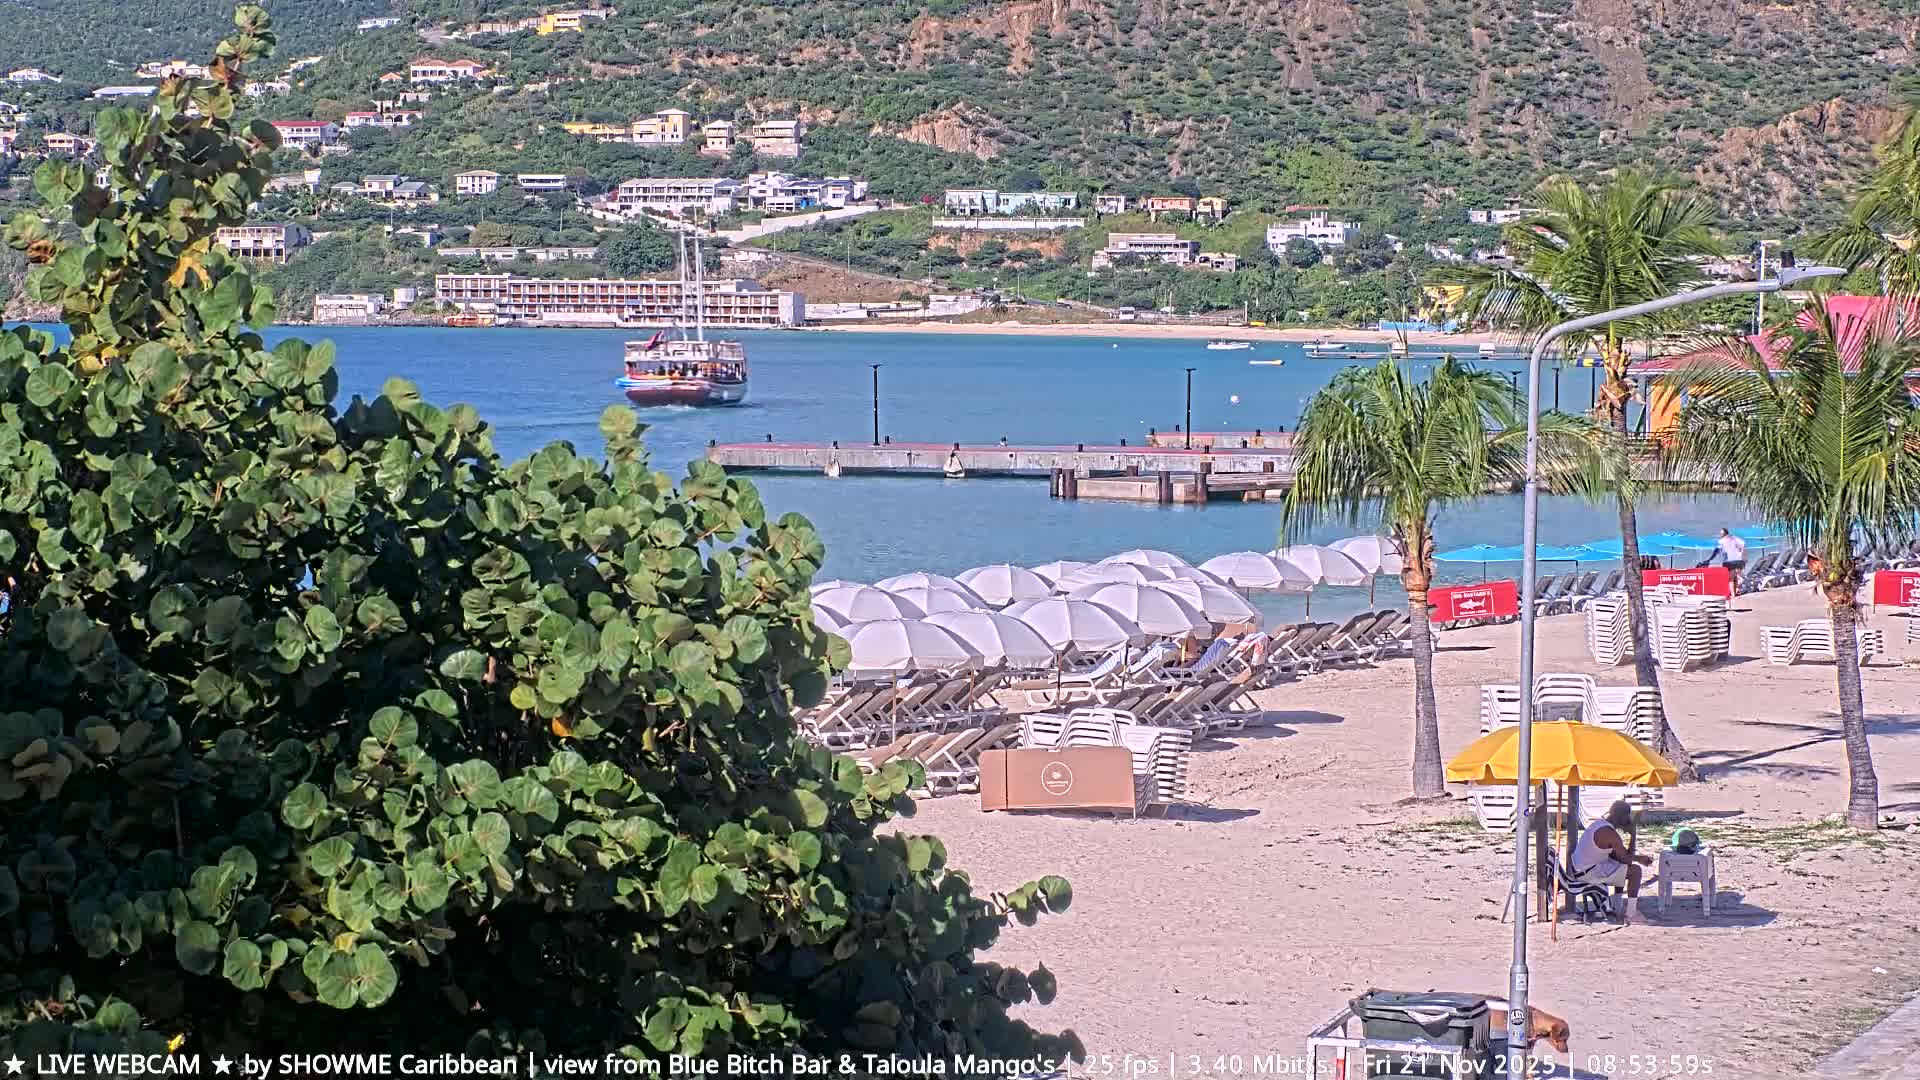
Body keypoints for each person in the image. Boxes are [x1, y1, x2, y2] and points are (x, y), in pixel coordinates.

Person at [1571, 800, 1654, 923]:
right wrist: (1633, 834)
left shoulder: (1600, 824)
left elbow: (1619, 857)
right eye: (1628, 816)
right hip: (1586, 873)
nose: (1628, 819)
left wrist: (1638, 858)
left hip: (1581, 868)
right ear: (1622, 816)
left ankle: (1617, 906)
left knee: (1620, 867)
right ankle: (1631, 913)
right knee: (1635, 871)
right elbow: (1626, 860)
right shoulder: (1610, 834)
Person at [1711, 527, 1747, 592]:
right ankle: (1735, 591)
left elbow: (1716, 551)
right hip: (1739, 561)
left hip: (1729, 562)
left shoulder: (1721, 541)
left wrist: (1710, 559)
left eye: (1721, 534)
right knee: (1734, 576)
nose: (1720, 535)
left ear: (1723, 535)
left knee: (1730, 579)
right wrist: (1741, 553)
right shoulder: (1734, 538)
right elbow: (1743, 544)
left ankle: (1733, 595)